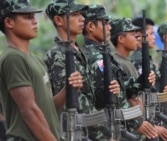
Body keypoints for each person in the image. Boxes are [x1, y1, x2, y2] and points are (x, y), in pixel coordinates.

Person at [0, 0, 83, 140]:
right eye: (27, 17)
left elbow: (49, 107)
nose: (34, 21)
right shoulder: (13, 58)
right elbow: (29, 111)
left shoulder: (35, 60)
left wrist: (68, 89)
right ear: (9, 22)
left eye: (34, 16)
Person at [44, 1, 121, 140]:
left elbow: (91, 95)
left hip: (91, 131)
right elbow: (74, 100)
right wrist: (104, 134)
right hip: (76, 132)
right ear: (58, 20)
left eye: (81, 14)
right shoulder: (57, 55)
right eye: (74, 15)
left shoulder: (81, 52)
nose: (82, 19)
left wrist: (110, 91)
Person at [82, 5, 158, 140]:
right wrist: (137, 122)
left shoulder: (104, 54)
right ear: (91, 27)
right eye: (104, 23)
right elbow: (111, 95)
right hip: (105, 129)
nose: (109, 27)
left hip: (116, 125)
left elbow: (127, 88)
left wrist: (143, 80)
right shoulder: (93, 57)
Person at [110, 17, 167, 141]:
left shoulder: (126, 61)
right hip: (134, 126)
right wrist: (145, 124)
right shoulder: (118, 62)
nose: (137, 38)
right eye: (133, 35)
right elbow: (130, 98)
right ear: (121, 39)